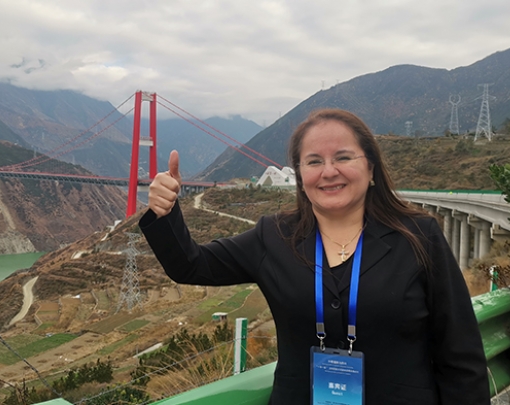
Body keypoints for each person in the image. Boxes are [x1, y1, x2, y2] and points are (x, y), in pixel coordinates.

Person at [138, 109, 489, 404]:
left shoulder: (418, 236)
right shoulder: (273, 236)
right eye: (314, 161)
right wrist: (165, 213)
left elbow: (460, 354)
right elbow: (192, 265)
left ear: (371, 168)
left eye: (343, 157)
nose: (328, 171)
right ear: (300, 174)